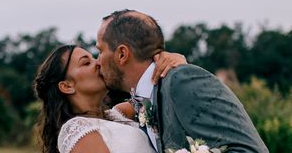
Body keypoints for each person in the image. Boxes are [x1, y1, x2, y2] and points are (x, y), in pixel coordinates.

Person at [96, 9, 269, 153]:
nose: (97, 61)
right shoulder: (144, 101)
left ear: (122, 54)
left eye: (100, 51)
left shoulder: (181, 80)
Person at [33, 44, 186, 153]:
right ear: (67, 86)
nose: (98, 63)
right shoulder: (77, 130)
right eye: (86, 63)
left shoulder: (120, 113)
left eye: (95, 57)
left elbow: (157, 92)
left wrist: (173, 61)